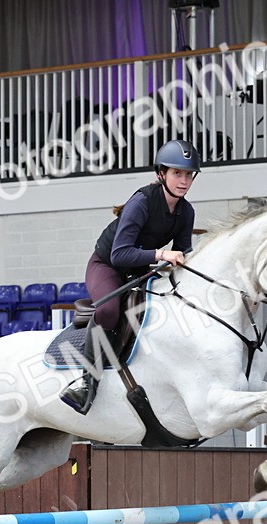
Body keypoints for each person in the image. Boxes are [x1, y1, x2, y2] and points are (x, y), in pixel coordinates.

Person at [60, 139, 201, 414]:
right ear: (161, 174)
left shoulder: (187, 211)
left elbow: (184, 254)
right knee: (110, 310)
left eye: (188, 175)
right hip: (108, 266)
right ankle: (85, 384)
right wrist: (162, 255)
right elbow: (120, 255)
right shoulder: (142, 202)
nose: (183, 180)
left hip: (141, 271)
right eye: (177, 173)